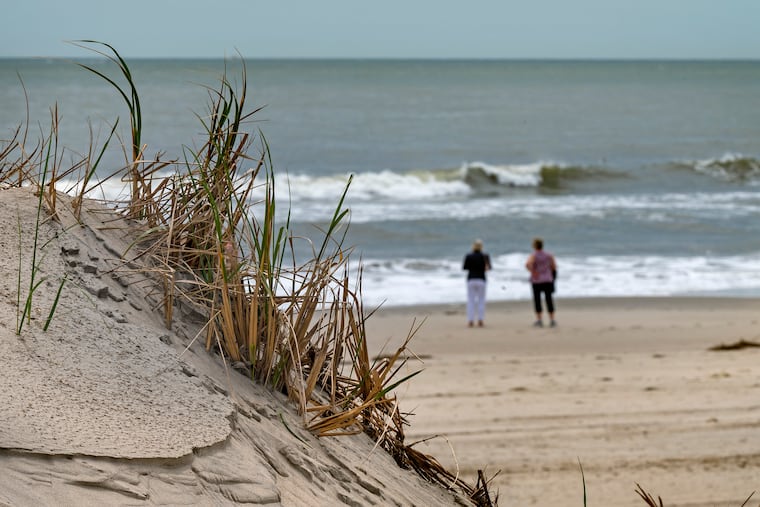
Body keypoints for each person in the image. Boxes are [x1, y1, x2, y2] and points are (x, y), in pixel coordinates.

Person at [525, 237, 557, 327]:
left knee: (537, 300)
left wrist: (533, 272)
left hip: (537, 280)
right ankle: (552, 320)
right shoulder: (549, 255)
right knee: (549, 299)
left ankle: (539, 320)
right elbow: (554, 266)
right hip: (547, 279)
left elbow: (527, 264)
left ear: (534, 246)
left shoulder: (533, 255)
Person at [463, 239, 491, 327]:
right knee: (481, 300)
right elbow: (489, 268)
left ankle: (470, 320)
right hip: (481, 279)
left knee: (471, 300)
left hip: (471, 279)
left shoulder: (469, 256)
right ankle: (480, 320)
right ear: (481, 246)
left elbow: (464, 267)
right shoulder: (485, 256)